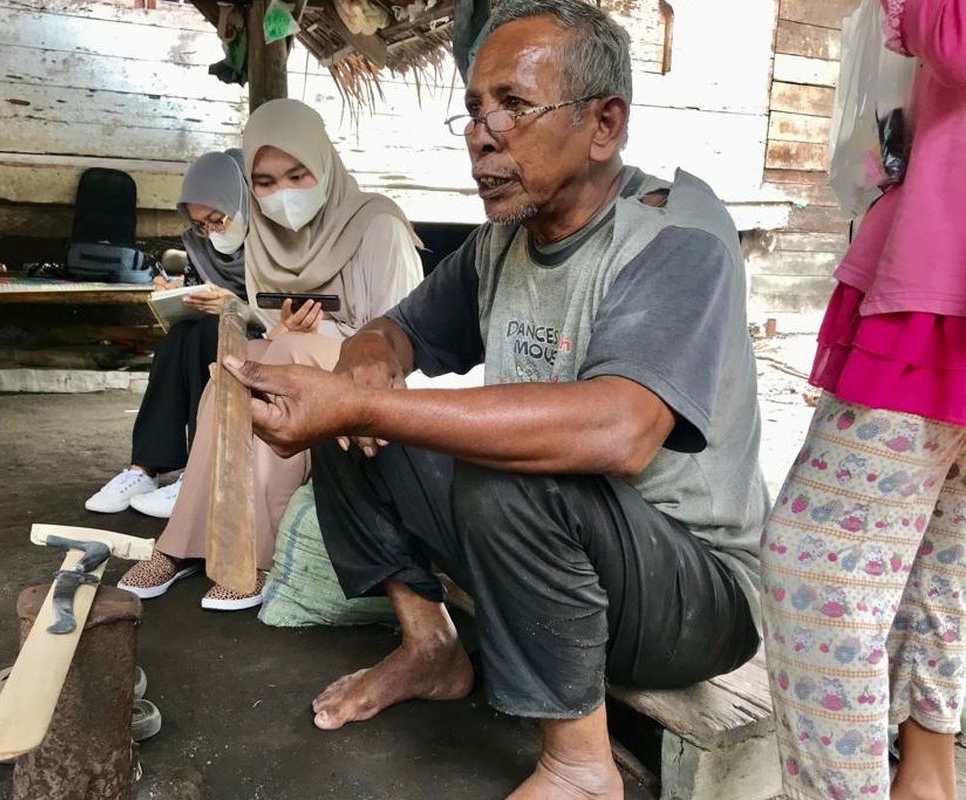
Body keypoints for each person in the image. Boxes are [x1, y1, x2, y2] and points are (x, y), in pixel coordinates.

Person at [218, 2, 766, 797]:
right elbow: (396, 333)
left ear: (603, 124)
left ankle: (581, 766)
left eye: (514, 105)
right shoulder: (502, 241)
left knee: (503, 470)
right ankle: (430, 647)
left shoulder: (676, 235)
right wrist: (361, 378)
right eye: (475, 108)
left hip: (693, 594)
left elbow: (620, 431)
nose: (483, 133)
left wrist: (366, 405)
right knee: (349, 421)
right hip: (564, 560)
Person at [760, 1, 966, 797]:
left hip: (943, 274)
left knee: (818, 563)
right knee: (940, 555)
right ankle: (929, 778)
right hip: (937, 254)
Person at [118, 98, 424, 611]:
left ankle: (257, 557)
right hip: (293, 354)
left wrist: (314, 331)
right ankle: (181, 544)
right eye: (264, 182)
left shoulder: (378, 226)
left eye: (297, 174)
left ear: (323, 164)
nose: (281, 193)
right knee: (230, 373)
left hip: (367, 374)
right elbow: (265, 320)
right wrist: (280, 326)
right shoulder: (263, 237)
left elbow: (400, 338)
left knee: (288, 356)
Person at [85, 149, 252, 517]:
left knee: (209, 334)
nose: (211, 232)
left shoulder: (275, 242)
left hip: (269, 338)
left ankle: (200, 473)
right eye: (201, 225)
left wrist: (236, 306)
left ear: (241, 200)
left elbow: (287, 309)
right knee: (180, 337)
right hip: (223, 331)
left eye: (217, 219)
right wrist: (178, 293)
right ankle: (145, 468)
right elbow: (202, 289)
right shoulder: (202, 245)